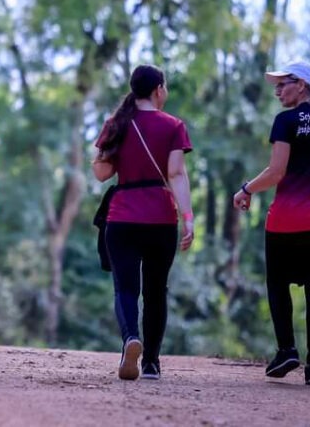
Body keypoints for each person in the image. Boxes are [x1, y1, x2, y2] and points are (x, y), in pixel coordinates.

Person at [233, 59, 310, 387]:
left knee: (277, 284)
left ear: (301, 85)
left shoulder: (286, 121)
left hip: (286, 221)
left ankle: (287, 349)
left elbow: (276, 172)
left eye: (282, 83)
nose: (277, 90)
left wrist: (246, 189)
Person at [92, 64, 195, 381]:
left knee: (125, 288)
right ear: (158, 89)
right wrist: (188, 218)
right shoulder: (173, 126)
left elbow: (101, 173)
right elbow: (176, 174)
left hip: (122, 216)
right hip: (161, 218)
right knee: (155, 291)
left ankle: (130, 340)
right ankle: (151, 362)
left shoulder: (116, 123)